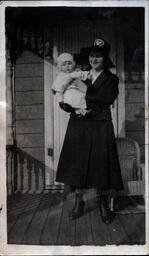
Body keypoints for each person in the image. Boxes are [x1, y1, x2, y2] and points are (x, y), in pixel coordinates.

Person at [56, 38, 124, 224]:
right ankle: (79, 203)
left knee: (101, 166)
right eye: (92, 55)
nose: (94, 59)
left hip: (100, 124)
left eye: (98, 56)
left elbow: (107, 98)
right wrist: (67, 105)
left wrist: (86, 89)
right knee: (77, 165)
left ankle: (103, 205)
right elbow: (68, 93)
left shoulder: (111, 78)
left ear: (105, 58)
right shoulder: (80, 74)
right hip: (79, 123)